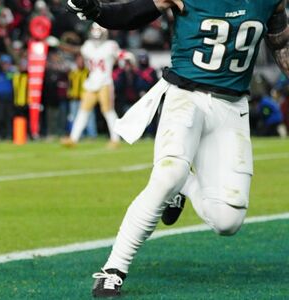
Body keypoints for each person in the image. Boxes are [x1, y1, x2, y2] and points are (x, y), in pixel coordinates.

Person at [67, 0, 289, 296]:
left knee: (228, 221)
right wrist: (97, 11)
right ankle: (113, 268)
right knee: (167, 174)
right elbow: (135, 13)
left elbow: (281, 43)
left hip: (232, 105)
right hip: (185, 96)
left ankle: (185, 183)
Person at [61, 23, 121, 149]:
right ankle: (73, 139)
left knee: (108, 112)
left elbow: (119, 57)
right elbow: (76, 50)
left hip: (105, 83)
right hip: (91, 83)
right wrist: (60, 45)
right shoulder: (88, 46)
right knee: (83, 111)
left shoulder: (110, 46)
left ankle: (115, 139)